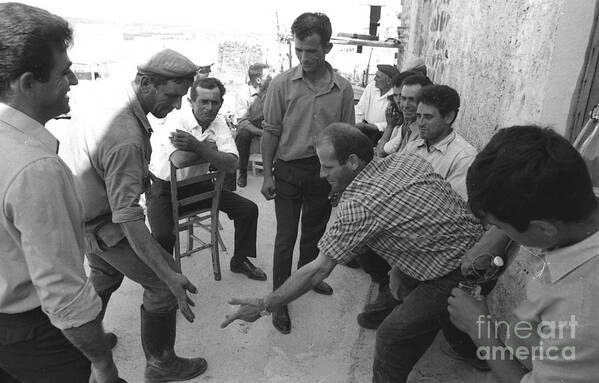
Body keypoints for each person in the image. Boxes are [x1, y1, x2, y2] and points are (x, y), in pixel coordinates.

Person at [223, 123, 485, 382]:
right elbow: (423, 217)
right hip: (480, 248)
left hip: (461, 271)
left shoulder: (358, 206)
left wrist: (263, 305)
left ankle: (467, 340)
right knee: (378, 264)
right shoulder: (406, 161)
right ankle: (469, 344)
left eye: (327, 166)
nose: (321, 174)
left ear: (351, 161)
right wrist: (399, 269)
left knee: (391, 338)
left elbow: (317, 270)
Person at [60, 49, 208, 382]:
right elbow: (128, 217)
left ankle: (87, 346)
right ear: (145, 83)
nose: (178, 106)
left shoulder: (109, 99)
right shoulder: (125, 135)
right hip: (106, 227)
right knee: (165, 285)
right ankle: (161, 363)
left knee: (104, 279)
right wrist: (168, 274)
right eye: (172, 95)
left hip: (86, 221)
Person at [0, 3, 123, 382]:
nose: (73, 81)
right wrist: (103, 363)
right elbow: (64, 296)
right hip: (35, 338)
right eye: (64, 72)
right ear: (27, 84)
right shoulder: (35, 168)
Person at [448, 125, 599, 383]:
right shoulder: (580, 206)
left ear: (543, 228)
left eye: (500, 226)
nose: (494, 232)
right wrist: (500, 234)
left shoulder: (581, 312)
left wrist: (480, 330)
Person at [260, 12, 355, 334]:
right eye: (299, 50)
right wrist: (268, 175)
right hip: (287, 170)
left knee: (315, 233)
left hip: (323, 174)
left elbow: (346, 137)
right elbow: (271, 130)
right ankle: (279, 301)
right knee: (285, 238)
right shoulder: (281, 84)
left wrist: (341, 182)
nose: (304, 57)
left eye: (312, 51)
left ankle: (306, 279)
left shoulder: (342, 89)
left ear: (327, 47)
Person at [147, 76, 267, 281]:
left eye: (215, 102)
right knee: (163, 236)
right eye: (204, 101)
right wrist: (213, 149)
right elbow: (180, 160)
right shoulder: (176, 120)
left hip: (200, 186)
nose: (210, 107)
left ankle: (239, 261)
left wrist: (196, 145)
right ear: (191, 102)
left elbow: (232, 164)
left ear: (221, 103)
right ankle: (164, 280)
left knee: (248, 210)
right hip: (163, 190)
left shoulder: (218, 123)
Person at [405, 84, 477, 200]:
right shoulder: (412, 147)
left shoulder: (463, 158)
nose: (421, 123)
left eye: (428, 117)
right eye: (418, 116)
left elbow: (453, 207)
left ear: (448, 117)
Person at [376, 74, 432, 157]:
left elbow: (381, 152)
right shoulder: (407, 123)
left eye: (412, 99)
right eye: (403, 98)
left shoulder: (424, 131)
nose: (405, 105)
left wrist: (390, 126)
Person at [234, 63, 271, 187]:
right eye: (268, 76)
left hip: (267, 121)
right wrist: (261, 132)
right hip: (250, 124)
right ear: (259, 80)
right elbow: (242, 121)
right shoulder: (243, 93)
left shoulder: (272, 89)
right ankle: (242, 172)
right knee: (242, 136)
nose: (271, 78)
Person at [354, 64, 398, 145]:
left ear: (388, 81)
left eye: (378, 77)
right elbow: (360, 109)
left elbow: (395, 122)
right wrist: (356, 126)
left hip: (384, 135)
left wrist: (375, 126)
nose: (374, 79)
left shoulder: (396, 95)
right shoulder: (371, 87)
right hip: (364, 129)